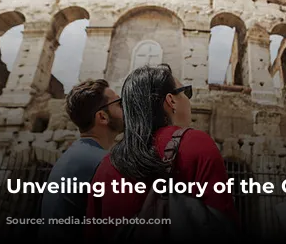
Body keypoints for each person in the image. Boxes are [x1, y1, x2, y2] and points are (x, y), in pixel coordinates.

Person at [84, 64, 238, 240]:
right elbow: (225, 224)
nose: (189, 100)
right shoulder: (196, 144)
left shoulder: (107, 163)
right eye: (186, 92)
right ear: (171, 100)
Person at [38, 79, 124, 242]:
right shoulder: (101, 163)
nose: (125, 108)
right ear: (103, 117)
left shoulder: (74, 156)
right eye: (119, 104)